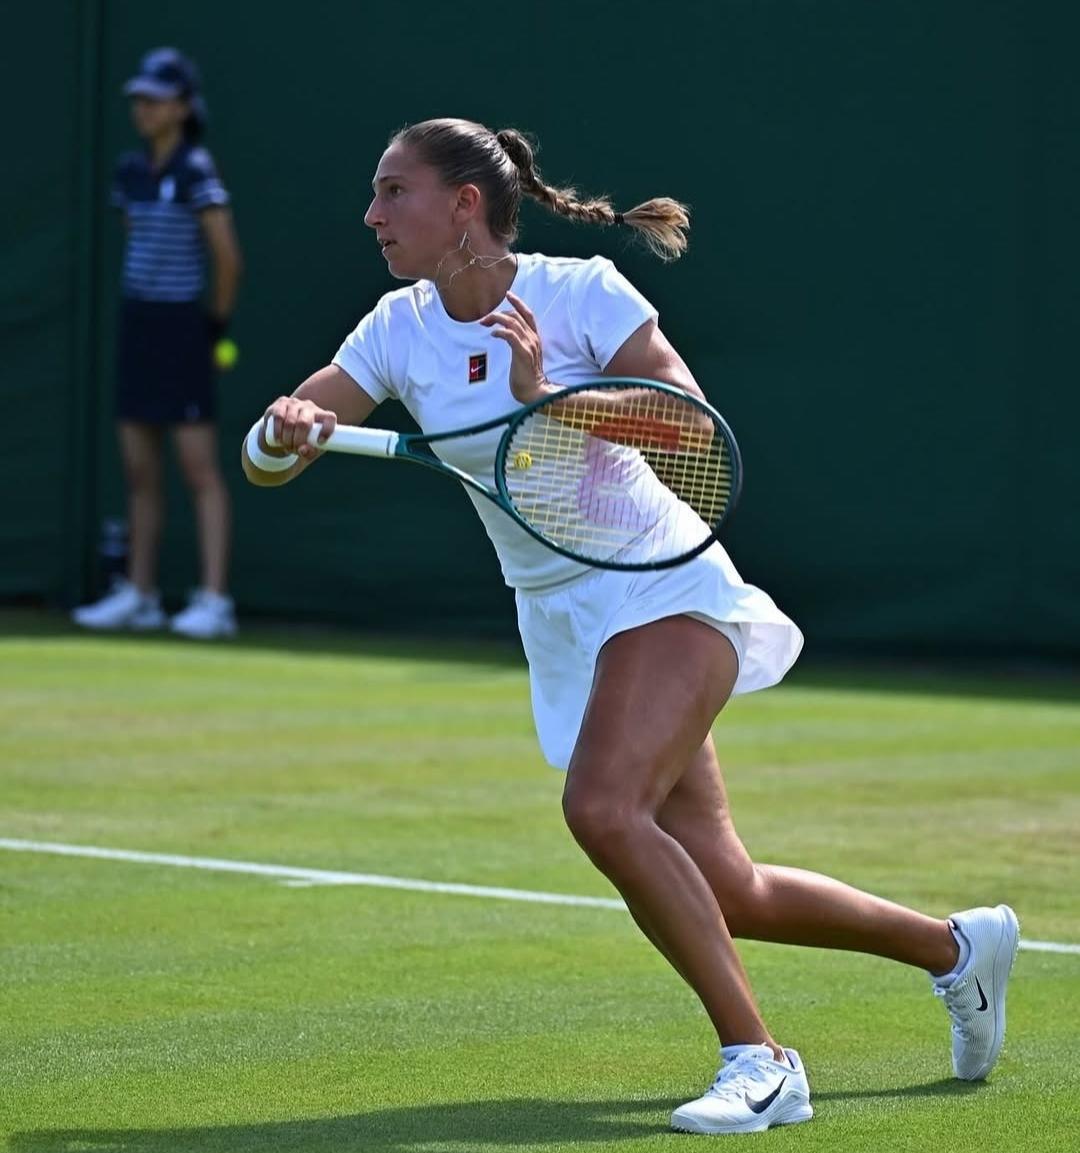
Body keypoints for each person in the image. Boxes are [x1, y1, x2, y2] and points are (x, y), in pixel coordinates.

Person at [240, 118, 1018, 1135]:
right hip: (560, 618)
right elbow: (274, 454)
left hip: (658, 583)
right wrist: (282, 430)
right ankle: (957, 949)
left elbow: (693, 425)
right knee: (728, 888)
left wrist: (548, 395)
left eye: (394, 192)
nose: (372, 213)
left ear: (463, 205)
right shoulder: (395, 327)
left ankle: (763, 1061)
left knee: (603, 809)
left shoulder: (580, 294)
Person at [73, 47, 243, 640]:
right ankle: (140, 595)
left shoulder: (196, 170)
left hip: (183, 329)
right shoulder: (129, 171)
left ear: (183, 106)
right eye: (138, 98)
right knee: (138, 468)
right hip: (137, 323)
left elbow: (227, 258)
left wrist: (211, 329)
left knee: (198, 468)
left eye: (154, 98)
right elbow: (135, 238)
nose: (142, 108)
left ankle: (214, 600)